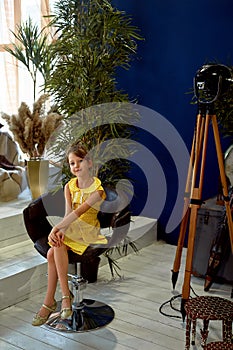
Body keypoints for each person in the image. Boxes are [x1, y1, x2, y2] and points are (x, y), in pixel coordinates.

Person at [32, 142, 108, 326]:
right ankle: (55, 299)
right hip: (71, 228)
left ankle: (59, 298)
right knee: (55, 247)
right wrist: (61, 230)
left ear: (89, 162)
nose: (76, 166)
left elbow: (79, 212)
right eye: (72, 163)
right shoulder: (69, 186)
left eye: (80, 161)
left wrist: (55, 228)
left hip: (88, 231)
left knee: (53, 249)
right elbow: (68, 214)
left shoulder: (97, 190)